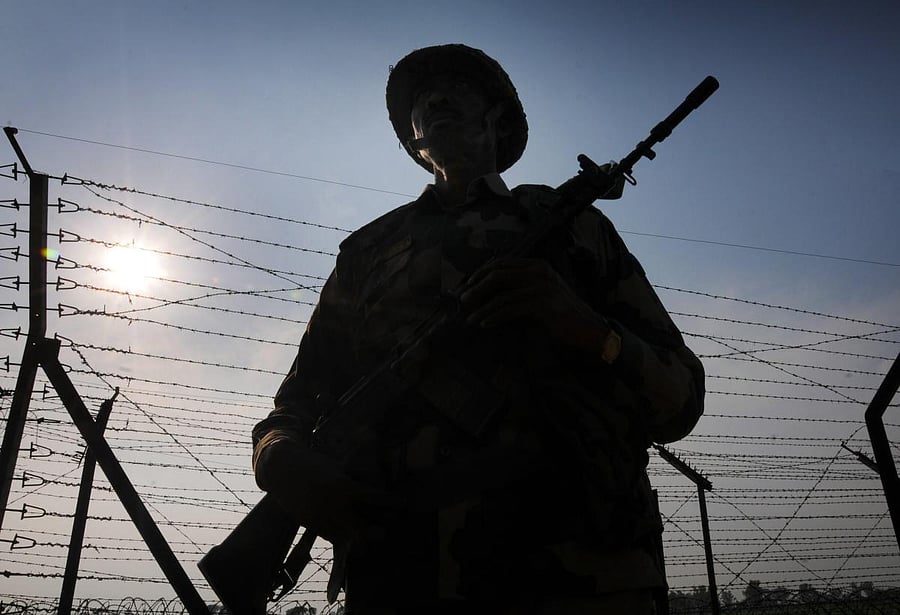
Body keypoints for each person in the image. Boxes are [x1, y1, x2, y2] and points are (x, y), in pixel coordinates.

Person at [252, 44, 705, 614]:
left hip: (582, 576)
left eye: (457, 88)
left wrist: (591, 333)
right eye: (421, 100)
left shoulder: (574, 229)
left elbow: (682, 399)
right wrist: (277, 453)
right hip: (403, 575)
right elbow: (295, 402)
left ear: (497, 120)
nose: (436, 98)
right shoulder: (368, 252)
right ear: (414, 142)